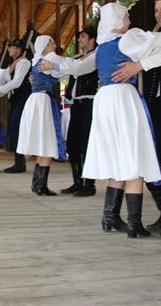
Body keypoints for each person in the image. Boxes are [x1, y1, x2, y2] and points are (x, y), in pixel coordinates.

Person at [82, 2, 161, 238]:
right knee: (137, 159)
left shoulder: (103, 45)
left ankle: (115, 217)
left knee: (143, 160)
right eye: (126, 16)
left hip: (116, 100)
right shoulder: (130, 38)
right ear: (118, 21)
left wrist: (139, 64)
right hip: (128, 102)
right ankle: (140, 221)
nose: (130, 20)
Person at [46, 26, 99, 196]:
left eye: (83, 36)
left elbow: (77, 67)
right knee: (73, 144)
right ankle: (77, 181)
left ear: (92, 39)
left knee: (86, 143)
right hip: (76, 104)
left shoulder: (96, 56)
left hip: (90, 102)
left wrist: (54, 64)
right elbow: (63, 68)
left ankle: (89, 184)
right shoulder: (76, 57)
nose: (79, 40)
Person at [16, 35, 67, 196]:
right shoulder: (50, 58)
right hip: (44, 101)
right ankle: (41, 186)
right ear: (45, 47)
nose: (55, 44)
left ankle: (36, 184)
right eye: (52, 43)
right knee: (47, 141)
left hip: (35, 101)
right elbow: (66, 68)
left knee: (42, 141)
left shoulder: (36, 61)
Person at [0, 39, 31, 173]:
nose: (9, 49)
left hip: (23, 98)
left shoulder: (24, 62)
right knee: (13, 127)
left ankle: (20, 163)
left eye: (11, 47)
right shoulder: (15, 64)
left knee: (16, 127)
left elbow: (16, 83)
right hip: (16, 98)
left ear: (19, 50)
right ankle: (19, 162)